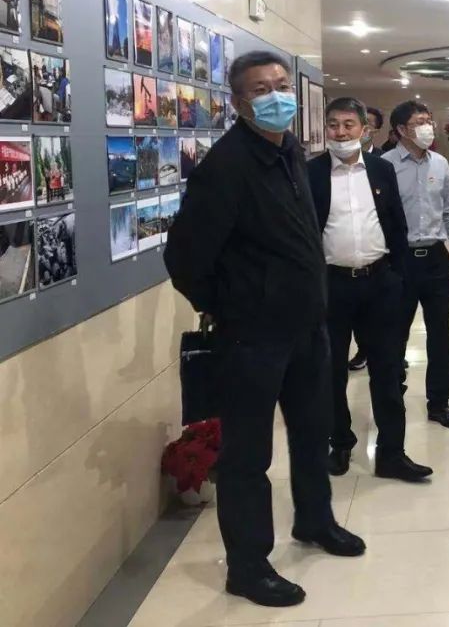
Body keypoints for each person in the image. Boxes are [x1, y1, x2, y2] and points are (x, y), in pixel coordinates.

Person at [164, 51, 365, 609]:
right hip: (252, 337)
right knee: (248, 455)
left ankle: (315, 520)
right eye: (260, 89)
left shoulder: (288, 150)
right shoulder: (227, 167)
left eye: (281, 84)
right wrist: (231, 306)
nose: (276, 95)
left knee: (312, 432)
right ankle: (248, 566)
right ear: (238, 102)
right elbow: (184, 259)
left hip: (307, 328)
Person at [308, 97, 432, 482]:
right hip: (331, 286)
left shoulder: (381, 169)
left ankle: (392, 453)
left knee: (387, 371)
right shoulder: (311, 173)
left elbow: (396, 224)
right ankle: (340, 442)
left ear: (364, 129)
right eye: (333, 124)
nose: (340, 132)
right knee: (331, 372)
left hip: (379, 283)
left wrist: (398, 276)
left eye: (348, 124)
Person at [383, 100, 449, 429]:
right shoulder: (384, 166)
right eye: (419, 122)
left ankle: (439, 402)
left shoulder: (440, 163)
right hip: (399, 259)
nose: (427, 127)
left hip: (434, 257)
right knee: (395, 334)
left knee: (439, 334)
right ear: (401, 129)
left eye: (428, 120)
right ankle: (392, 394)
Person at [348, 104, 387, 371]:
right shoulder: (322, 168)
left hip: (379, 257)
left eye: (368, 124)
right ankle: (362, 349)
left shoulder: (385, 163)